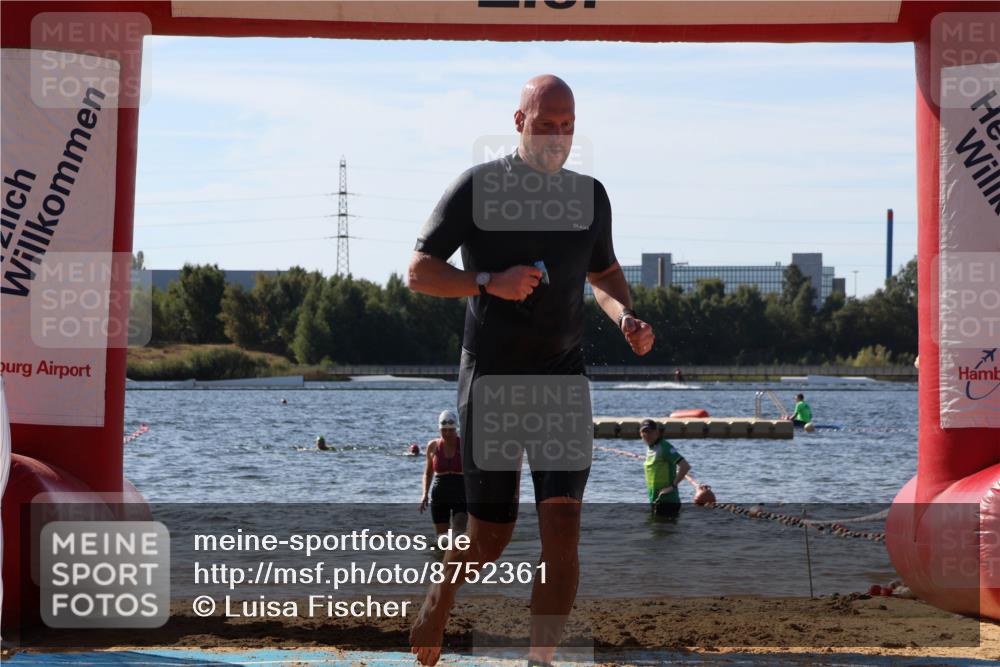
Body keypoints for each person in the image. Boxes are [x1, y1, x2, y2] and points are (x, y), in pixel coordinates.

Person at [407, 74, 654, 667]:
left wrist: (625, 315)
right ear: (519, 121)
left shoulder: (590, 196)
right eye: (546, 125)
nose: (558, 137)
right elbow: (418, 271)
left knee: (562, 534)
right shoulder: (479, 188)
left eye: (568, 126)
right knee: (490, 538)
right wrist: (489, 281)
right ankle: (440, 597)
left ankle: (538, 661)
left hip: (563, 380)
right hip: (491, 379)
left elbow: (604, 274)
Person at [419, 411, 467, 536]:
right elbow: (428, 473)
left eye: (451, 430)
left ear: (455, 428)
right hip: (440, 494)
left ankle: (460, 555)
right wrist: (425, 494)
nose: (447, 433)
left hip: (461, 493)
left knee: (459, 533)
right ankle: (441, 555)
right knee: (442, 539)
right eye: (444, 430)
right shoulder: (433, 446)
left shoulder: (464, 445)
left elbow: (475, 472)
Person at [640, 419, 691, 518]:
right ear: (640, 433)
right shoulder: (650, 447)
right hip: (655, 499)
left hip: (668, 501)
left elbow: (685, 466)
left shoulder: (665, 447)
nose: (646, 435)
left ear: (656, 432)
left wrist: (673, 486)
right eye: (644, 432)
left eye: (649, 431)